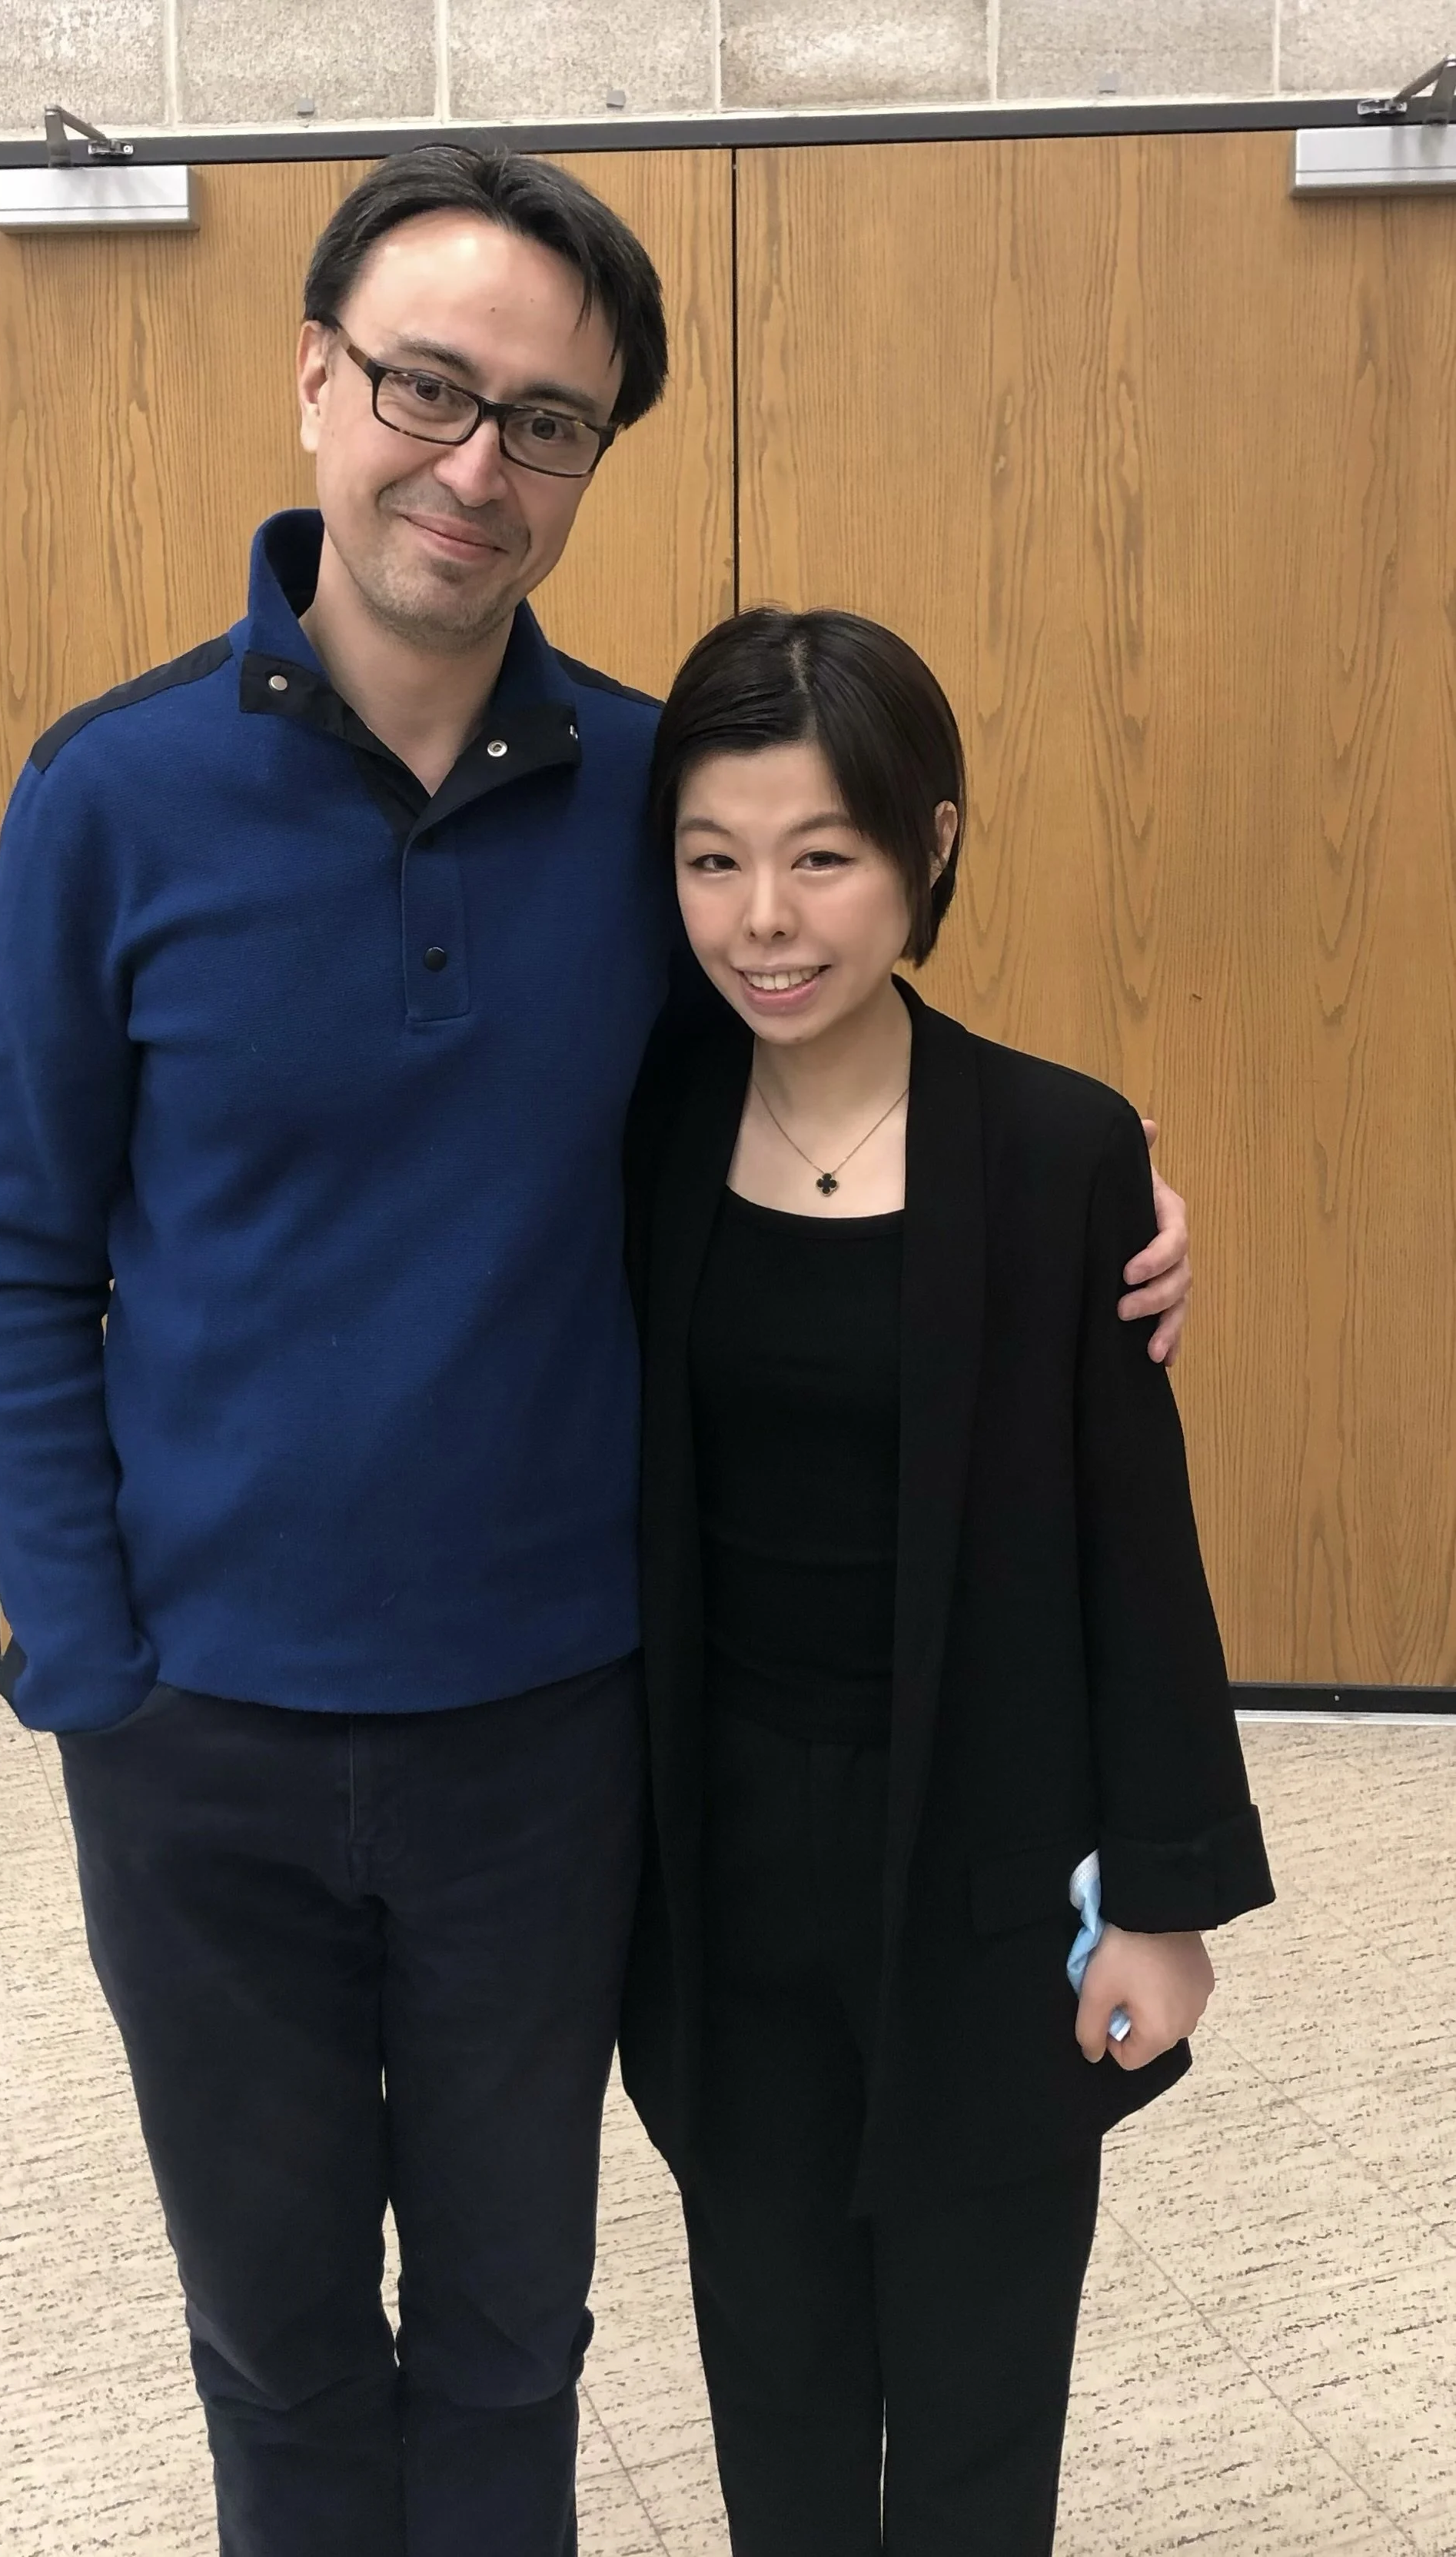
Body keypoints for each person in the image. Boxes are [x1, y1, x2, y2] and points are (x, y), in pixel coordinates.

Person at [0, 148, 1195, 2556]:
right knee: (281, 2344)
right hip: (200, 1743)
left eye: (546, 422)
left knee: (515, 2332)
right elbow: (13, 1262)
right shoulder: (110, 796)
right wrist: (90, 1663)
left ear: (592, 456)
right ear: (315, 379)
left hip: (550, 1733)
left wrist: (1091, 1192)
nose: (474, 462)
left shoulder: (643, 800)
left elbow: (824, 1059)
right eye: (428, 386)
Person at [617, 605, 1275, 2557]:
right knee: (777, 2375)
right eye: (713, 860)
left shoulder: (1056, 1150)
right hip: (724, 1860)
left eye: (822, 856)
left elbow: (1134, 1540)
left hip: (988, 1852)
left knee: (984, 2398)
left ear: (931, 845)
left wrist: (1165, 1896)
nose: (766, 920)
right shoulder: (649, 1122)